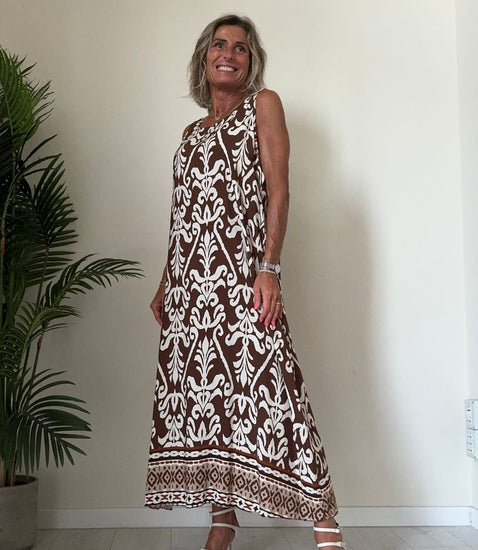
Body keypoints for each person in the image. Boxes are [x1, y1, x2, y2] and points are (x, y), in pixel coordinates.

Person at [145, 14, 345, 550]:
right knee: (205, 400)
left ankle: (326, 525)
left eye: (240, 47)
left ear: (251, 61)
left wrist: (269, 268)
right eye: (220, 44)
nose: (229, 54)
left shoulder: (264, 105)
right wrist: (166, 282)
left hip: (242, 279)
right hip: (190, 289)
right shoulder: (190, 134)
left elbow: (279, 189)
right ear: (204, 57)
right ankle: (222, 519)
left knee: (277, 392)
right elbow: (183, 215)